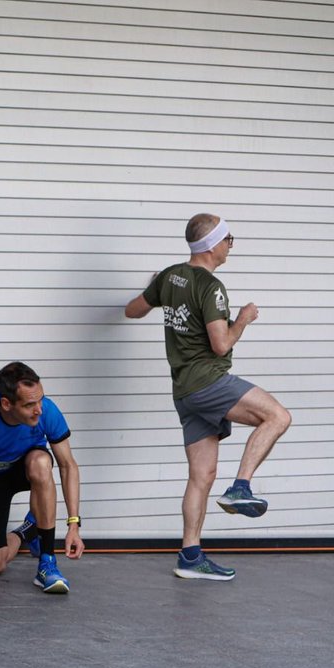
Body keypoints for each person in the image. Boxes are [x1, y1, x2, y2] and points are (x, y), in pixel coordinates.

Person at [124, 213, 291, 580]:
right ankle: (241, 487)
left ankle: (190, 556)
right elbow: (221, 345)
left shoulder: (170, 276)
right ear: (213, 244)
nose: (231, 244)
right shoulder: (211, 287)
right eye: (229, 238)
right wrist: (244, 317)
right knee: (278, 416)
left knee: (202, 475)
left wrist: (161, 292)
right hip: (209, 382)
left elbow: (132, 311)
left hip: (184, 391)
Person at [0, 362, 84, 593]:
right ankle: (28, 530)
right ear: (7, 404)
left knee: (41, 463)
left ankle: (47, 563)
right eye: (30, 404)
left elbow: (68, 466)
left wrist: (73, 525)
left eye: (40, 399)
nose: (39, 409)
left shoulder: (46, 410)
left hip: (26, 467)